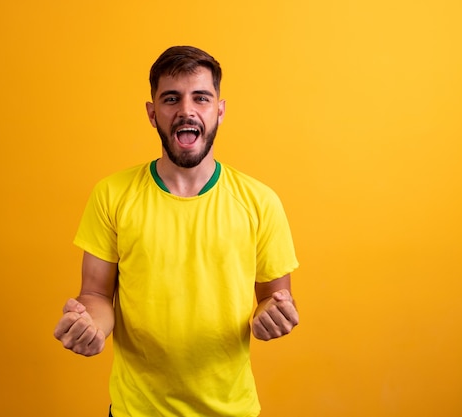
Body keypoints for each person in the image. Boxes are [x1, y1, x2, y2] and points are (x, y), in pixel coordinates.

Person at [54, 45, 299, 417]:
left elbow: (275, 297)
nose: (186, 110)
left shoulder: (260, 201)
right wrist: (90, 326)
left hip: (231, 410)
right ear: (153, 114)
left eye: (201, 97)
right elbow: (96, 294)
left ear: (219, 110)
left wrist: (272, 316)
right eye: (171, 98)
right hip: (136, 410)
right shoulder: (112, 195)